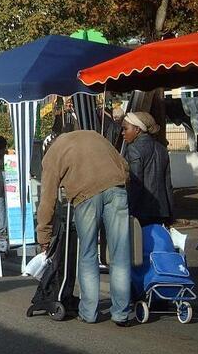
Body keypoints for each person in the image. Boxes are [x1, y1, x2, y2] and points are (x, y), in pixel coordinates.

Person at [37, 130, 132, 326]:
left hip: (86, 196)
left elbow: (47, 200)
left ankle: (89, 312)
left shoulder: (52, 155)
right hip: (117, 188)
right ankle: (121, 314)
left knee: (88, 253)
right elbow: (124, 165)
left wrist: (43, 236)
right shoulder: (93, 135)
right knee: (120, 253)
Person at [121, 111, 174, 226]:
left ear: (137, 130)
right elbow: (168, 185)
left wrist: (128, 209)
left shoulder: (133, 149)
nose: (122, 133)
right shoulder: (162, 149)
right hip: (161, 211)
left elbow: (136, 183)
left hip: (142, 212)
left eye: (125, 129)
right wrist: (170, 213)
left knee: (141, 243)